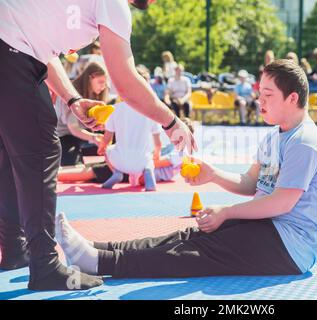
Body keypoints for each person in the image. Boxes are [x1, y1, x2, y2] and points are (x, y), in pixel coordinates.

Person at [54, 59, 317, 281]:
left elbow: (281, 203)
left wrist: (227, 212)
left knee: (198, 250)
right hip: (270, 227)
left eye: (268, 95)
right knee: (190, 236)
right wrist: (213, 175)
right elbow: (253, 183)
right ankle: (98, 249)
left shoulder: (304, 142)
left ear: (293, 98)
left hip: (291, 246)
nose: (259, 101)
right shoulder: (275, 135)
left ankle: (99, 263)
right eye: (259, 93)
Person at [0, 0, 195, 291]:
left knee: (10, 154)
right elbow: (125, 81)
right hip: (12, 54)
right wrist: (171, 122)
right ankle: (45, 266)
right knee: (41, 151)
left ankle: (16, 251)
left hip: (12, 49)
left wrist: (73, 100)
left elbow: (39, 49)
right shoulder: (114, 4)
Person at [58, 118, 195, 184]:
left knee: (93, 171)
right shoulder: (175, 149)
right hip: (136, 168)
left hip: (135, 170)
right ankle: (53, 174)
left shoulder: (180, 154)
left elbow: (157, 162)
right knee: (92, 169)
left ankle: (53, 176)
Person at [56, 62, 108, 166]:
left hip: (83, 136)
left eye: (105, 83)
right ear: (90, 78)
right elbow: (74, 129)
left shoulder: (95, 94)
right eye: (101, 82)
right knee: (71, 165)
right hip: (64, 136)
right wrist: (94, 138)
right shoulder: (72, 96)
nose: (103, 87)